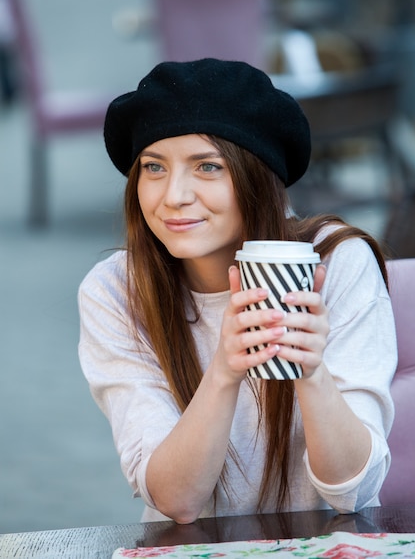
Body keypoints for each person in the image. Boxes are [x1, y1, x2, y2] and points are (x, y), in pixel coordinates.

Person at [78, 58, 397, 524]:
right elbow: (177, 501)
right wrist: (225, 372)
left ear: (256, 177)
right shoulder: (118, 290)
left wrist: (311, 373)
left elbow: (355, 491)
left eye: (207, 166)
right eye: (153, 167)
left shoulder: (334, 261)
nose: (174, 196)